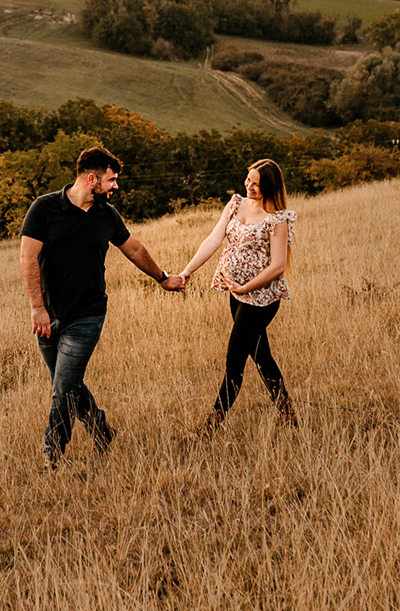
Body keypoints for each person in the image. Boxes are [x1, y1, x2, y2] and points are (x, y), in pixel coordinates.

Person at [20, 146, 185, 466]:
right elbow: (28, 259)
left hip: (88, 314)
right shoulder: (44, 208)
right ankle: (101, 430)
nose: (115, 186)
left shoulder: (106, 214)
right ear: (92, 179)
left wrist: (163, 278)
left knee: (64, 386)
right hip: (48, 315)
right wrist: (37, 308)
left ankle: (52, 453)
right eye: (111, 180)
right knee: (68, 384)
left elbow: (133, 249)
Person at [177, 158, 298, 432]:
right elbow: (213, 239)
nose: (249, 187)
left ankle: (211, 426)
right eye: (248, 180)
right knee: (261, 355)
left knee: (235, 360)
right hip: (237, 293)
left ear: (270, 186)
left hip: (261, 299)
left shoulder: (277, 218)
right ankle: (288, 414)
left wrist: (247, 287)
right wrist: (187, 271)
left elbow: (278, 266)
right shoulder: (235, 204)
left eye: (256, 184)